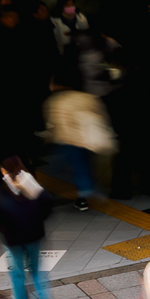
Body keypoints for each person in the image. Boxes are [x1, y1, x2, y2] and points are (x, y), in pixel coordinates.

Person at [0, 156, 56, 299]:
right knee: (36, 269)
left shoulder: (1, 192)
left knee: (17, 273)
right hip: (34, 234)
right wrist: (38, 220)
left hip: (13, 240)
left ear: (3, 171)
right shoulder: (31, 184)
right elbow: (48, 204)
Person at [44, 77, 114, 209]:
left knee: (56, 169)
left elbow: (56, 124)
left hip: (68, 141)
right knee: (83, 167)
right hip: (88, 141)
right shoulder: (88, 97)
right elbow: (101, 116)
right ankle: (86, 195)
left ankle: (87, 195)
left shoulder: (57, 101)